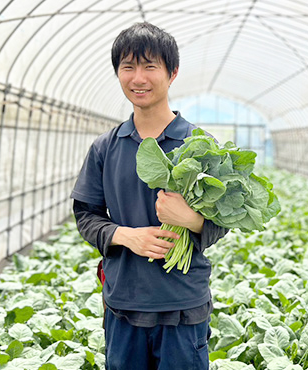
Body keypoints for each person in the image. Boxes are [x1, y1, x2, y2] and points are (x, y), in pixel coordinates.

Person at [71, 22, 228, 370]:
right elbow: (86, 213)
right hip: (123, 302)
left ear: (172, 73)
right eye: (128, 67)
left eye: (149, 66)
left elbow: (225, 219)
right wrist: (125, 236)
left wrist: (192, 220)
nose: (138, 78)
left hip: (183, 305)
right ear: (118, 73)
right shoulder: (105, 147)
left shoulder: (199, 145)